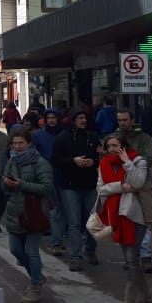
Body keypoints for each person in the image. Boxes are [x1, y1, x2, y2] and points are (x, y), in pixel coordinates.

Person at [97, 133, 151, 303]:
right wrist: (121, 187)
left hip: (135, 216)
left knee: (130, 259)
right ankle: (144, 292)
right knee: (132, 258)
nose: (112, 149)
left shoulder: (138, 161)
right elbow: (101, 189)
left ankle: (129, 299)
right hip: (116, 216)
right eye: (109, 146)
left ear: (124, 146)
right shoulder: (104, 165)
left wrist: (127, 162)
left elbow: (138, 182)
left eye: (115, 146)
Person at [2, 126, 54, 303]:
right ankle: (37, 276)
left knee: (32, 252)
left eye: (20, 143)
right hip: (15, 212)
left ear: (29, 144)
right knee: (15, 250)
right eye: (14, 143)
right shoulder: (11, 161)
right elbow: (5, 185)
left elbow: (47, 187)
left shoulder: (39, 162)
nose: (16, 147)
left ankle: (35, 286)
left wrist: (21, 184)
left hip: (34, 212)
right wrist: (7, 183)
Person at [52, 111, 100, 271]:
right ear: (72, 121)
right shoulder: (62, 138)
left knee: (92, 221)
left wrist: (93, 161)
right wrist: (73, 161)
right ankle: (76, 257)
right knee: (74, 223)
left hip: (89, 184)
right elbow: (55, 160)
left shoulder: (91, 137)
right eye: (80, 118)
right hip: (69, 186)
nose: (84, 121)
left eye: (85, 118)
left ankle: (90, 250)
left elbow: (100, 156)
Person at [114, 108, 152, 274]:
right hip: (121, 184)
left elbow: (150, 158)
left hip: (141, 183)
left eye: (125, 120)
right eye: (119, 120)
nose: (122, 123)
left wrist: (132, 163)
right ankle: (129, 258)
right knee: (124, 221)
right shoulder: (113, 138)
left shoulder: (143, 137)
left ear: (132, 120)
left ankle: (145, 257)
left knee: (143, 221)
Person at [33, 110, 66, 256]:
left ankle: (58, 237)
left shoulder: (64, 134)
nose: (52, 121)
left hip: (65, 176)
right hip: (47, 177)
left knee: (64, 210)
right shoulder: (39, 135)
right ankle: (56, 242)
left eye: (54, 118)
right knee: (54, 210)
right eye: (49, 118)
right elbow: (35, 155)